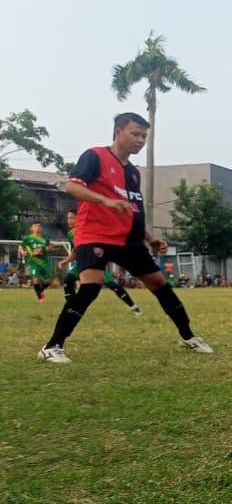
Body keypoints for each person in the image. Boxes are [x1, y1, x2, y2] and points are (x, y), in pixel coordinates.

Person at [38, 112, 211, 364]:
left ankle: (188, 336)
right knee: (91, 287)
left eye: (144, 136)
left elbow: (133, 210)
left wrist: (150, 239)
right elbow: (72, 187)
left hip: (127, 239)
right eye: (135, 133)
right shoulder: (95, 155)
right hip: (95, 233)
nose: (140, 140)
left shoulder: (132, 172)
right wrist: (105, 200)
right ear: (118, 131)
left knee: (159, 283)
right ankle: (52, 346)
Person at [60, 209, 142, 316]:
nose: (69, 221)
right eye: (68, 218)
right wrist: (66, 260)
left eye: (72, 218)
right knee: (68, 280)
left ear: (79, 218)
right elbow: (76, 250)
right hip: (81, 263)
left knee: (113, 285)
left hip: (94, 264)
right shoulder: (71, 234)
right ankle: (71, 308)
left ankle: (133, 307)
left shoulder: (90, 229)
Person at [19, 221, 53, 302]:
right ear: (31, 228)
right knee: (35, 279)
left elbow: (49, 248)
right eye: (35, 226)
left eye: (39, 226)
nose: (38, 227)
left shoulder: (45, 238)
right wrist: (22, 251)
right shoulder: (28, 238)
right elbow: (21, 246)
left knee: (48, 281)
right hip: (33, 262)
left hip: (45, 262)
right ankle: (40, 298)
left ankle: (40, 291)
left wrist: (49, 249)